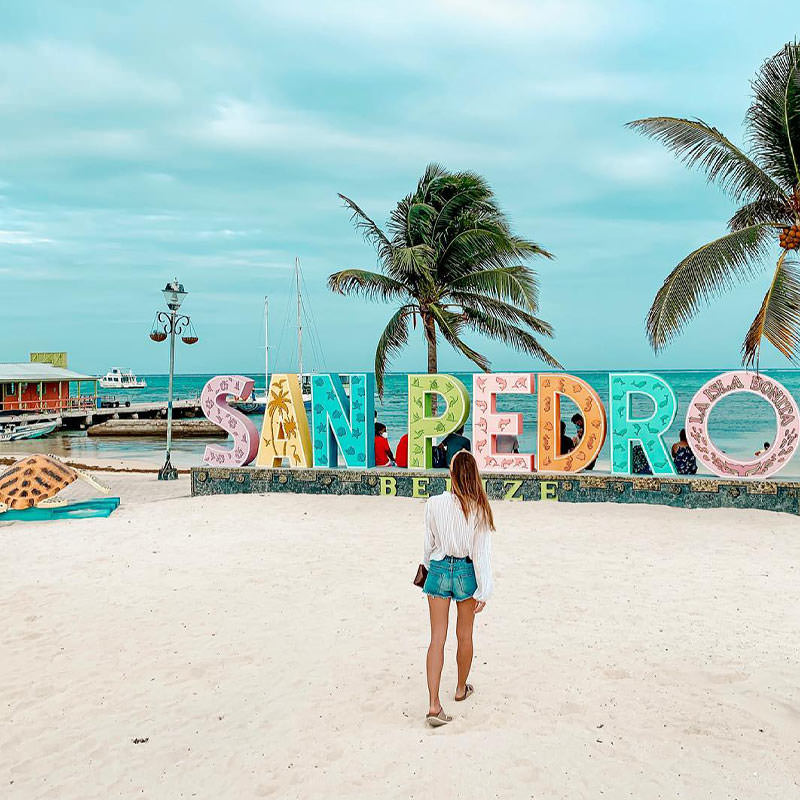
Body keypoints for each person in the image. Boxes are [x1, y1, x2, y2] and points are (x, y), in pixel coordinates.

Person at [421, 450, 493, 727]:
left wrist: (426, 568)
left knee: (436, 638)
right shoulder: (479, 507)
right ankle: (461, 689)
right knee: (465, 635)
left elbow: (429, 544)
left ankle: (433, 705)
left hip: (439, 570)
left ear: (451, 475)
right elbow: (481, 552)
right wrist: (484, 589)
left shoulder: (433, 503)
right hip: (465, 570)